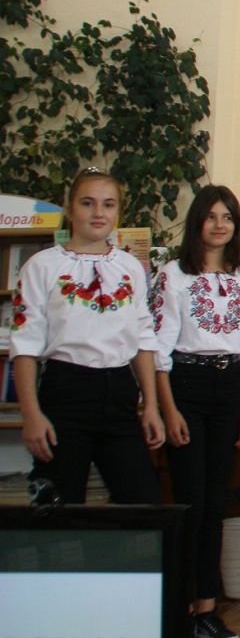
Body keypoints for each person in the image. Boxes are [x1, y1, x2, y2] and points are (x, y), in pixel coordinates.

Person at [151, 185, 240, 638]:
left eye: (228, 217)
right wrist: (168, 409)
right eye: (212, 216)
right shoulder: (173, 275)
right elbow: (159, 349)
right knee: (191, 502)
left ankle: (207, 609)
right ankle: (180, 611)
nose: (220, 225)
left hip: (228, 386)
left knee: (216, 501)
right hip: (186, 385)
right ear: (197, 221)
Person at [13, 168, 163, 509]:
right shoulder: (42, 266)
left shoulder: (129, 267)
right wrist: (31, 414)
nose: (98, 213)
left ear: (118, 212)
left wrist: (151, 406)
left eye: (108, 204)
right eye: (87, 203)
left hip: (120, 393)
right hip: (66, 391)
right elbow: (25, 346)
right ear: (70, 209)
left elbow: (143, 340)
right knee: (58, 507)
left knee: (143, 503)